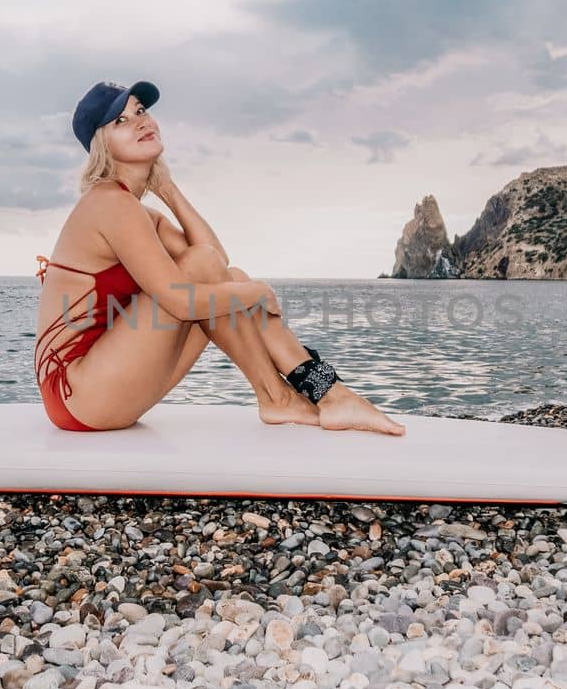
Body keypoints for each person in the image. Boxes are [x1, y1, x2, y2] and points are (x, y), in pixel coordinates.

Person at [33, 79, 406, 436]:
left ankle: (304, 396)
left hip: (99, 388)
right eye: (121, 120)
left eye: (141, 109)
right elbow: (183, 296)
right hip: (77, 391)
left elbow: (216, 258)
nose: (141, 120)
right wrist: (258, 293)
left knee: (230, 274)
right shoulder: (110, 203)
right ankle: (308, 394)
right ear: (102, 144)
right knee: (218, 278)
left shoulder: (136, 210)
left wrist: (166, 187)